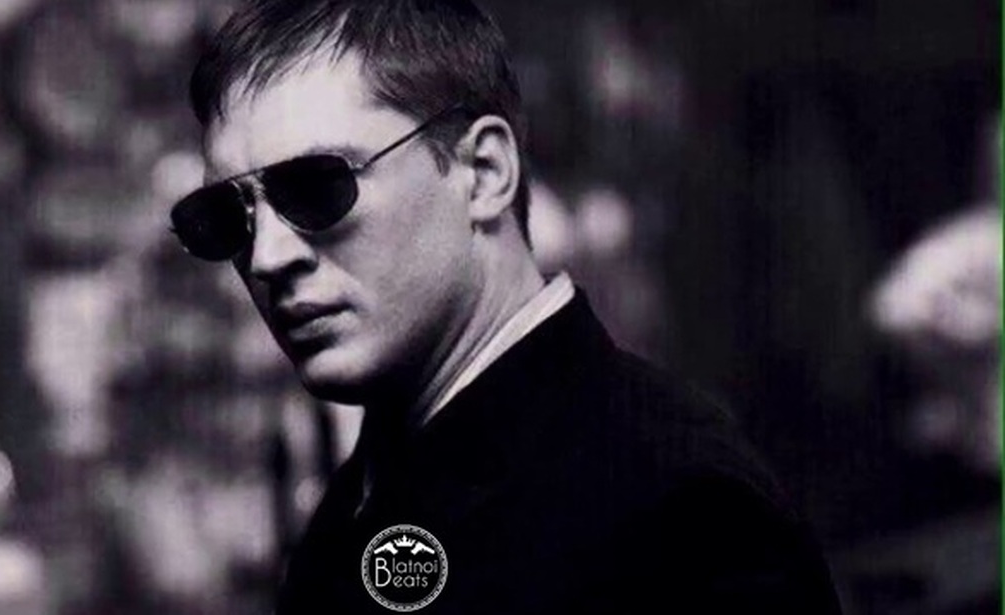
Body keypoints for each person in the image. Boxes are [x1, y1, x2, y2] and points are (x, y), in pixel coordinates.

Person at [169, 0, 843, 612]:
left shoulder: (678, 510)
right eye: (225, 218)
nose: (266, 258)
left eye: (316, 187)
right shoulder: (357, 505)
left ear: (484, 173)